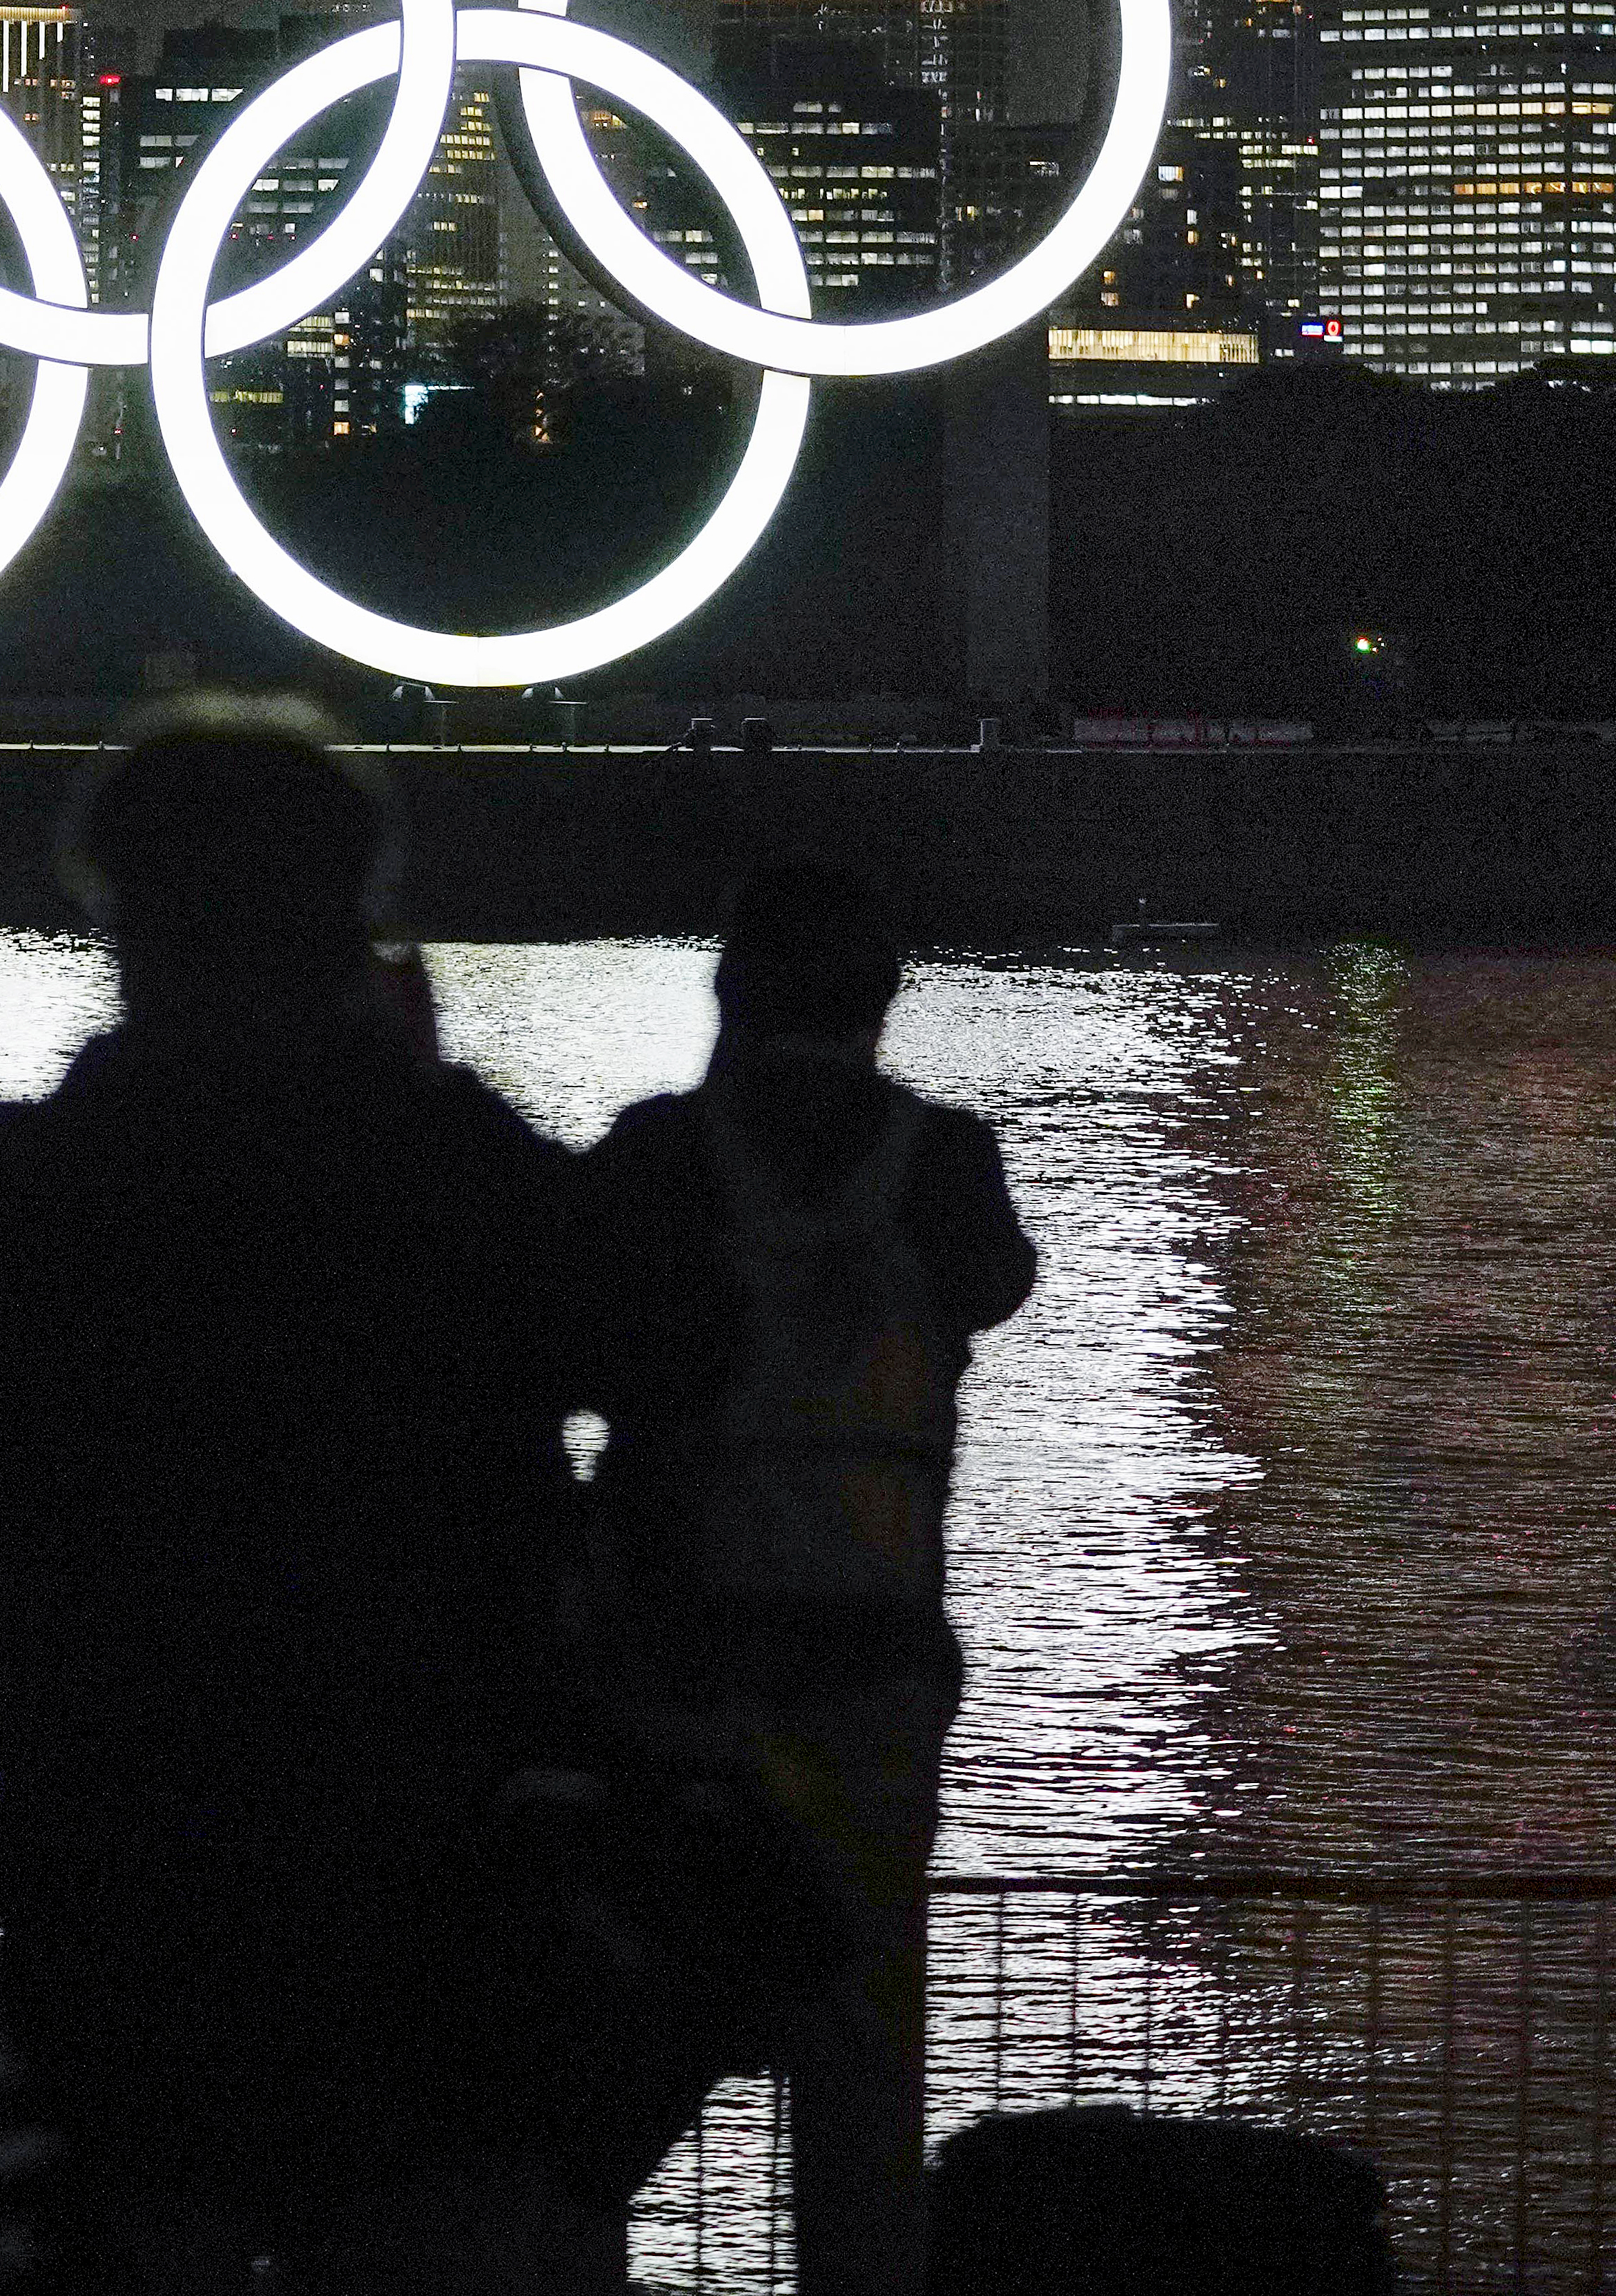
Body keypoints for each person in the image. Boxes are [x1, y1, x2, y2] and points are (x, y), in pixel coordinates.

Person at [0, 698, 654, 2291]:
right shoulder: (452, 1172)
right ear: (351, 917)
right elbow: (664, 1347)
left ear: (120, 917)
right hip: (430, 1903)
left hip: (114, 1891)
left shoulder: (8, 1195)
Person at [574, 859, 1038, 2296]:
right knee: (860, 2057)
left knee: (606, 2040)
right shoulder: (944, 1165)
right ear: (883, 1003)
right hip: (875, 1667)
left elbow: (574, 1351)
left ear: (731, 992)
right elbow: (994, 1288)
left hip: (674, 1672)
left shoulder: (656, 1160)